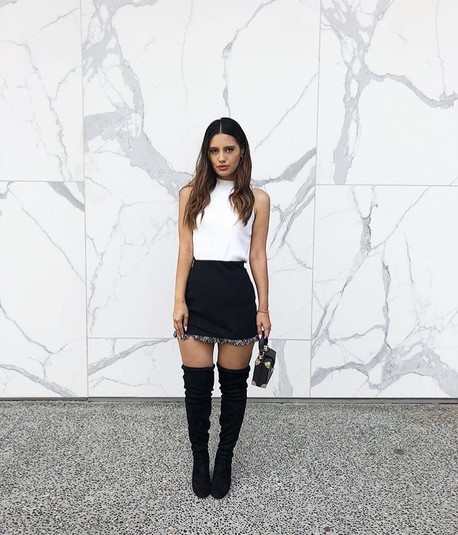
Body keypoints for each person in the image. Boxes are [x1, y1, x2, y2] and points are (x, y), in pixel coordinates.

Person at [172, 117, 271, 499]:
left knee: (233, 387)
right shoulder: (190, 194)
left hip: (236, 298)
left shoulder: (257, 199)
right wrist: (179, 300)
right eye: (214, 151)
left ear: (241, 151)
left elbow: (257, 254)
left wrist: (263, 308)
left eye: (228, 149)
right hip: (198, 295)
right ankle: (200, 459)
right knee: (197, 389)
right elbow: (185, 250)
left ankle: (224, 458)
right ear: (207, 154)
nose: (221, 157)